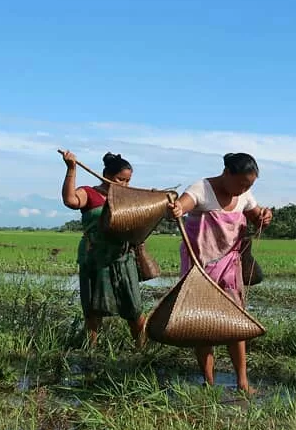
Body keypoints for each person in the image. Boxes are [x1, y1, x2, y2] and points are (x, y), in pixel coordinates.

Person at [169, 153, 273, 393]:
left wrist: (265, 217)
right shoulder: (201, 189)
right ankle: (208, 381)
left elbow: (257, 215)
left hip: (229, 266)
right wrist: (176, 209)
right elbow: (184, 204)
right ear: (226, 173)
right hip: (200, 267)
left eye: (249, 186)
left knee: (235, 324)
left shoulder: (243, 194)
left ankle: (242, 382)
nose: (243, 189)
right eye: (241, 184)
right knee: (203, 326)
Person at [60, 149, 147, 349]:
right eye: (120, 179)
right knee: (92, 310)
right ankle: (92, 351)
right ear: (106, 175)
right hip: (94, 259)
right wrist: (71, 169)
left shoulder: (129, 198)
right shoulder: (90, 194)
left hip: (123, 259)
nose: (124, 184)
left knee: (134, 309)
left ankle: (141, 351)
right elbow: (70, 200)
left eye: (127, 181)